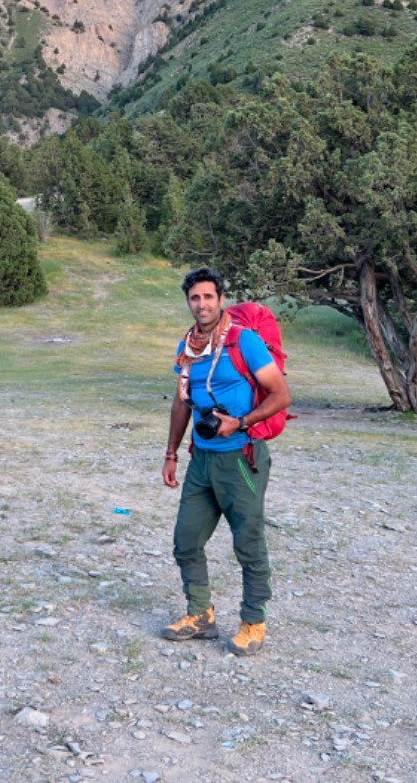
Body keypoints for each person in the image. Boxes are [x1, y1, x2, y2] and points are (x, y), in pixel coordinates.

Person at [160, 267, 291, 656]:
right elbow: (182, 402)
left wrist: (241, 422)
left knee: (248, 544)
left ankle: (254, 621)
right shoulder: (188, 346)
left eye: (208, 297)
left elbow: (281, 395)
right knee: (185, 540)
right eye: (194, 298)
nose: (201, 305)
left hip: (240, 459)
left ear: (220, 299)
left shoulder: (243, 341)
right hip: (202, 459)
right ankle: (200, 615)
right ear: (188, 302)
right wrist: (170, 453)